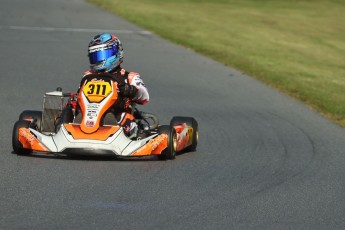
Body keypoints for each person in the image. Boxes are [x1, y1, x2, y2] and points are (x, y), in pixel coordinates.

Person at [79, 33, 149, 138]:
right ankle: (74, 126)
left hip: (118, 113)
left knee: (121, 116)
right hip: (89, 114)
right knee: (72, 110)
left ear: (116, 53)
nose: (98, 60)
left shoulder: (129, 77)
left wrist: (131, 90)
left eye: (101, 55)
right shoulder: (88, 76)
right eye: (95, 56)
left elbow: (145, 97)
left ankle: (122, 129)